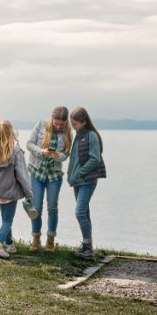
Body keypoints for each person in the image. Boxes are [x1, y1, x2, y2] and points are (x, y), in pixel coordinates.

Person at [0, 121, 34, 259]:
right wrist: (29, 193)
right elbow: (23, 175)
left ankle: (9, 244)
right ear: (11, 134)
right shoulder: (16, 152)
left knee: (5, 218)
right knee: (8, 220)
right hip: (10, 191)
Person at [25, 107, 71, 251]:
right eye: (56, 123)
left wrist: (60, 156)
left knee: (52, 207)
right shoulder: (40, 125)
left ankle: (50, 239)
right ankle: (36, 238)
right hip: (37, 172)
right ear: (52, 119)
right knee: (36, 207)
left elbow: (66, 153)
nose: (58, 126)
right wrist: (41, 152)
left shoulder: (68, 132)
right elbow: (29, 144)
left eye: (61, 124)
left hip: (54, 175)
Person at [67, 107, 106, 260]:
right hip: (77, 181)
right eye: (72, 123)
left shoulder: (92, 136)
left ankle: (88, 249)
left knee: (80, 212)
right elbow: (75, 159)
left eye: (75, 123)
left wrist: (80, 172)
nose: (73, 126)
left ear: (84, 122)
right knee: (85, 212)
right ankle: (87, 246)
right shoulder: (78, 135)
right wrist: (72, 175)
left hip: (87, 181)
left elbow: (95, 158)